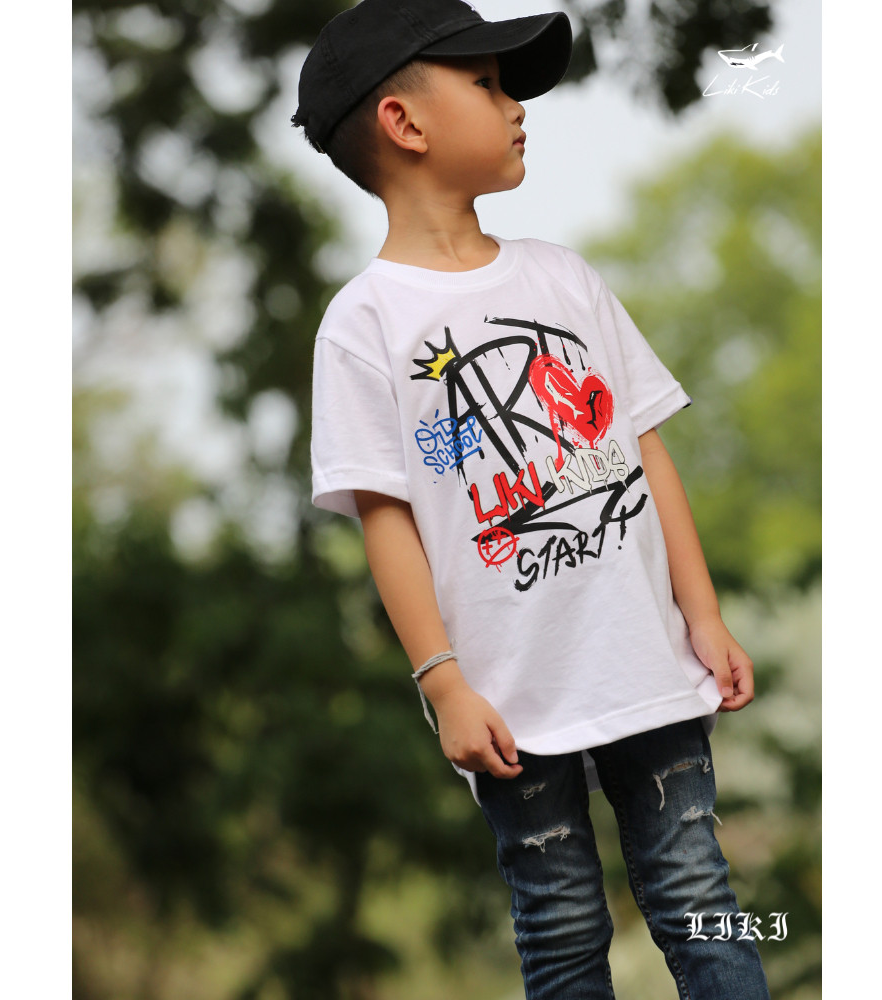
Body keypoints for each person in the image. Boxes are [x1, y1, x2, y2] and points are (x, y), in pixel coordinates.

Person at [294, 2, 771, 997]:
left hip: (642, 662)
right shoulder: (363, 324)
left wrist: (703, 614)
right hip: (509, 698)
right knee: (560, 928)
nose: (517, 106)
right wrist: (444, 685)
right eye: (487, 84)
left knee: (699, 894)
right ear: (403, 123)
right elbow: (387, 520)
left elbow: (644, 450)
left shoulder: (564, 279)